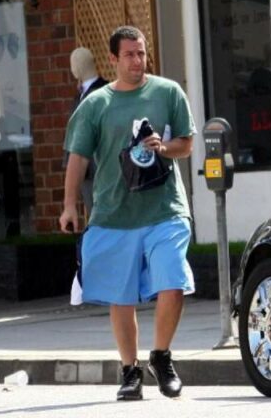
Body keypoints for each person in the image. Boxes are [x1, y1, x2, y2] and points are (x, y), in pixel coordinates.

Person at [59, 26, 196, 401]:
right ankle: (130, 370)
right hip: (114, 212)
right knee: (122, 295)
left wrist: (163, 148)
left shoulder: (168, 92)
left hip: (165, 208)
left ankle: (162, 357)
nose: (138, 61)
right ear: (114, 60)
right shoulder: (96, 104)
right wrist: (70, 204)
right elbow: (78, 157)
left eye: (142, 53)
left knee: (174, 281)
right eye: (130, 55)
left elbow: (186, 144)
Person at [62, 47, 108, 216]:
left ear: (79, 67)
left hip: (99, 165)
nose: (72, 69)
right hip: (85, 169)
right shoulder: (81, 95)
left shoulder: (102, 93)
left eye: (73, 64)